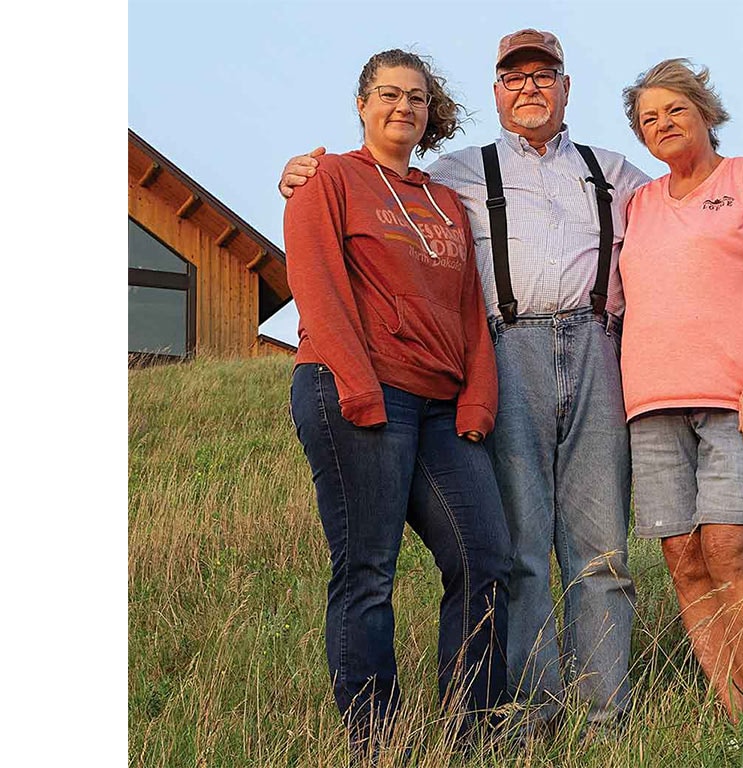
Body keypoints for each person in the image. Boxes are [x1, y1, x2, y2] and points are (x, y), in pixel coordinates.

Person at [279, 30, 743, 736]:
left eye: (543, 77)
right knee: (517, 549)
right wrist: (302, 168)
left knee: (601, 549)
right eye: (514, 78)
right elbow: (367, 198)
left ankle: (602, 716)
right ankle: (535, 713)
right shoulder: (457, 173)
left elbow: (693, 188)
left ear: (565, 88)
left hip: (599, 352)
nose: (529, 89)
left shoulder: (618, 174)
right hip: (506, 351)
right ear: (495, 92)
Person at [283, 48, 511, 758]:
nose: (403, 107)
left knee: (486, 560)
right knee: (368, 570)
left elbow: (471, 308)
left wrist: (477, 403)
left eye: (416, 97)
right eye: (388, 94)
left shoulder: (443, 200)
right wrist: (357, 387)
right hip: (357, 392)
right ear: (361, 103)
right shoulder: (329, 178)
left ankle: (472, 733)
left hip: (443, 407)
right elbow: (316, 285)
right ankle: (378, 745)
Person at [618, 57, 743, 720]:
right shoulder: (638, 203)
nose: (662, 123)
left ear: (707, 113)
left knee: (729, 547)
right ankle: (736, 718)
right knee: (684, 558)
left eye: (675, 109)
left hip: (737, 397)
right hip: (651, 405)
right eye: (648, 118)